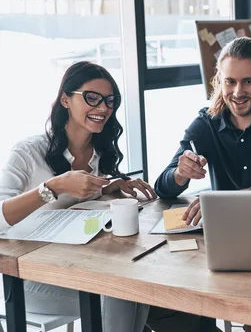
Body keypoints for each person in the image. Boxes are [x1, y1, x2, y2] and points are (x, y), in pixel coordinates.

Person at [148, 37, 251, 331]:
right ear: (219, 82)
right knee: (170, 302)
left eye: (248, 81)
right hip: (222, 244)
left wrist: (229, 201)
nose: (238, 92)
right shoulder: (207, 123)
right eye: (230, 82)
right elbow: (162, 187)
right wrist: (180, 173)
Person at [0, 61, 156, 332]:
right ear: (65, 100)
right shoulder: (28, 153)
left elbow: (80, 203)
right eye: (92, 98)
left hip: (79, 265)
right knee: (121, 292)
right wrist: (53, 187)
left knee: (136, 285)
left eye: (109, 101)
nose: (103, 108)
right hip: (30, 277)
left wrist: (110, 186)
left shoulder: (99, 153)